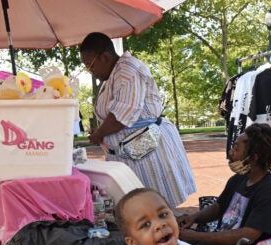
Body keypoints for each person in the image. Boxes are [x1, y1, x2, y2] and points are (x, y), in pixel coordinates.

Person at [79, 32, 196, 208]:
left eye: (90, 65)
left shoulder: (127, 71)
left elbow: (121, 116)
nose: (91, 71)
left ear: (105, 56)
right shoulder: (114, 73)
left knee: (154, 208)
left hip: (145, 152)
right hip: (129, 154)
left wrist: (99, 134)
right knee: (138, 209)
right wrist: (101, 132)